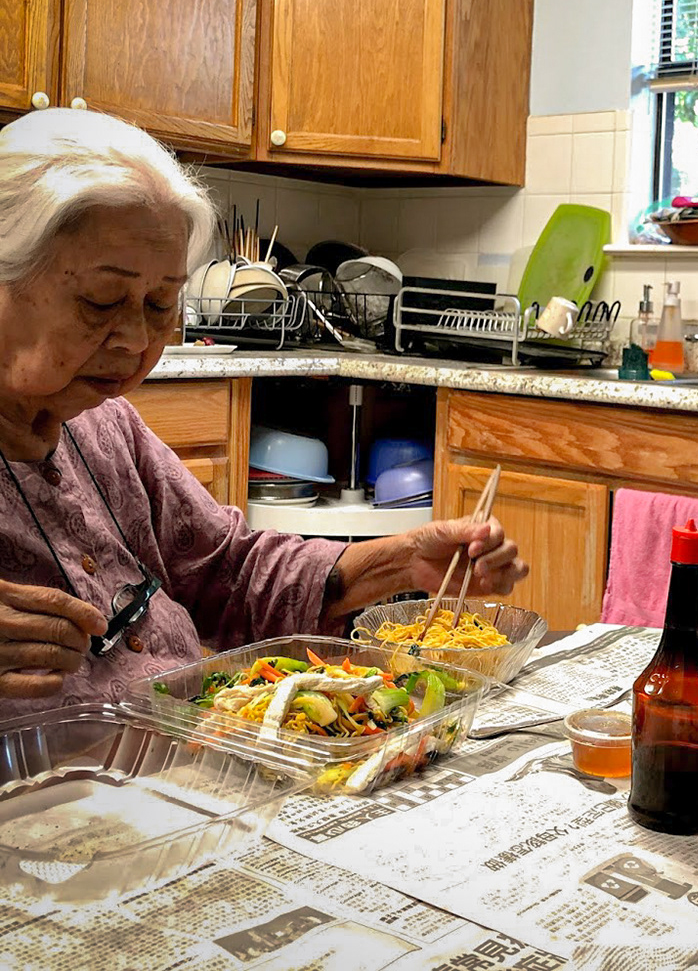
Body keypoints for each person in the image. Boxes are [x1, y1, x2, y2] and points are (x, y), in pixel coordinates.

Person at [0, 107, 527, 715]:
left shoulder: (104, 423)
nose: (135, 340)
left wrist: (403, 561)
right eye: (100, 300)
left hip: (189, 762)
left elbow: (230, 570)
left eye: (160, 303)